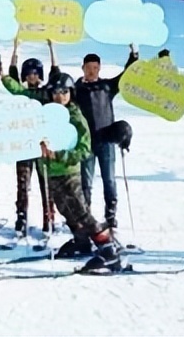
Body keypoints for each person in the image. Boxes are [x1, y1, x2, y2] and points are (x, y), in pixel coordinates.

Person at [40, 77, 126, 271]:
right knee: (66, 210)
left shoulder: (75, 117)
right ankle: (81, 241)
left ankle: (107, 248)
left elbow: (84, 149)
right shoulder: (46, 116)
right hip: (51, 171)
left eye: (64, 92)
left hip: (68, 171)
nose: (60, 97)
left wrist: (60, 155)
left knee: (81, 211)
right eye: (56, 93)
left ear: (71, 93)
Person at [60, 46, 139, 256]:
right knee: (85, 183)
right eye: (89, 68)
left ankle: (111, 218)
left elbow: (126, 76)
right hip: (86, 143)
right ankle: (87, 220)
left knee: (109, 180)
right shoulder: (76, 89)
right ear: (83, 68)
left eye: (95, 68)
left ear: (99, 68)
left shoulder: (106, 86)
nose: (92, 71)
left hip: (106, 141)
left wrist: (134, 55)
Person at [2, 39, 59, 236]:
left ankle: (48, 217)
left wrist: (52, 49)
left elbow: (56, 74)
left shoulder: (47, 92)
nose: (32, 77)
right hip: (24, 143)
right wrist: (16, 50)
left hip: (43, 144)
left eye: (35, 73)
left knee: (46, 183)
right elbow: (11, 78)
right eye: (29, 74)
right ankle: (21, 217)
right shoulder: (22, 93)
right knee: (23, 183)